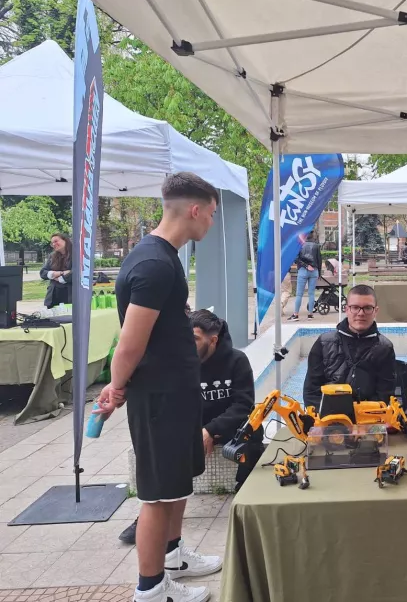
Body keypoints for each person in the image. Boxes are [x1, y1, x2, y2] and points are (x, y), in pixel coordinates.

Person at [96, 172, 222, 602]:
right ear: (195, 210)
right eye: (211, 214)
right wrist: (116, 387)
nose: (211, 222)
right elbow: (130, 342)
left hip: (176, 393)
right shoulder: (153, 264)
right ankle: (150, 589)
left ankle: (173, 556)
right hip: (160, 399)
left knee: (177, 484)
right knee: (156, 494)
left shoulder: (164, 258)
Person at [118, 309, 261, 545]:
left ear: (213, 340)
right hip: (190, 425)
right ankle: (151, 514)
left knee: (253, 432)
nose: (188, 343)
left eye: (194, 338)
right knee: (165, 446)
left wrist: (211, 430)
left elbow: (243, 405)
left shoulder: (237, 361)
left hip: (226, 426)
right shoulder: (180, 363)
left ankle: (246, 496)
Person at [303, 284, 397, 411]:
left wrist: (359, 415)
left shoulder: (384, 348)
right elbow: (311, 392)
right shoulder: (324, 343)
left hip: (368, 418)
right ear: (346, 309)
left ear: (376, 311)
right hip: (327, 417)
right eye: (355, 307)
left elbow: (384, 395)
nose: (361, 313)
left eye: (367, 308)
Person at [289, 232, 323, 321]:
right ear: (312, 237)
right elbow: (319, 260)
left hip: (303, 270)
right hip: (314, 271)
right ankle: (310, 314)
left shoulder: (300, 245)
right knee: (311, 294)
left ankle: (296, 315)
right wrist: (319, 272)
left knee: (299, 294)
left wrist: (306, 266)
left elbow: (296, 259)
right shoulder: (316, 246)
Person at [39, 233, 72, 308]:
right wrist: (59, 273)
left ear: (65, 240)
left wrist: (60, 278)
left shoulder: (76, 254)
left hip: (70, 294)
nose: (54, 244)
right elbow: (42, 272)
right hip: (53, 294)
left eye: (56, 241)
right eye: (52, 243)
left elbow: (76, 272)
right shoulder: (52, 256)